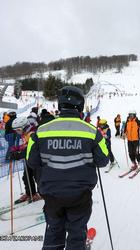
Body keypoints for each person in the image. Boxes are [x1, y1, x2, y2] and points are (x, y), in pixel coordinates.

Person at [26, 86, 109, 250]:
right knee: (76, 234)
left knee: (54, 233)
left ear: (60, 105)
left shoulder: (41, 131)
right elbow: (103, 160)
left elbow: (31, 161)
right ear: (79, 106)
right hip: (79, 195)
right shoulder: (92, 131)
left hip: (51, 194)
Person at [9, 116, 40, 203]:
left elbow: (29, 150)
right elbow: (26, 146)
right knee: (26, 177)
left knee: (38, 177)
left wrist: (18, 155)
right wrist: (17, 148)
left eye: (18, 129)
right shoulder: (25, 134)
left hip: (36, 160)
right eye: (16, 130)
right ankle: (30, 193)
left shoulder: (32, 134)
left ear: (25, 126)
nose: (17, 132)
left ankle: (42, 193)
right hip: (29, 159)